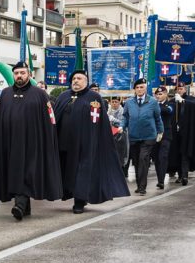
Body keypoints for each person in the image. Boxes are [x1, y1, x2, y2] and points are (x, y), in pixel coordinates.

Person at [0, 62, 62, 221]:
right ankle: (24, 207)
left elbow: (50, 119)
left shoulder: (40, 94)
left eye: (22, 73)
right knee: (15, 171)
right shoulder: (6, 94)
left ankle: (20, 205)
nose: (19, 76)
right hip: (10, 143)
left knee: (27, 172)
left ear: (29, 74)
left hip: (33, 143)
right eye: (16, 73)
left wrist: (47, 140)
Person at [54, 70, 130, 214]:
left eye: (79, 78)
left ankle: (79, 201)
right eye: (74, 78)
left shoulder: (94, 98)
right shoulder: (64, 96)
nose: (76, 80)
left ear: (86, 81)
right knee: (67, 171)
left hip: (85, 144)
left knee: (82, 172)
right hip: (65, 143)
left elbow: (101, 123)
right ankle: (71, 194)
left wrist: (98, 140)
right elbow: (55, 118)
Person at [119, 78, 164, 195]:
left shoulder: (153, 102)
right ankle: (139, 185)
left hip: (148, 136)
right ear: (134, 89)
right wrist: (121, 126)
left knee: (143, 159)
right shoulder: (129, 102)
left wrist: (160, 132)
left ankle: (142, 187)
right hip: (134, 137)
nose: (139, 89)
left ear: (145, 88)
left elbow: (158, 118)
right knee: (137, 162)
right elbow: (125, 117)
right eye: (137, 87)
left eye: (141, 87)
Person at [168, 82, 195, 184]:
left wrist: (183, 101)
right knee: (176, 154)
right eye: (178, 88)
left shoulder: (190, 100)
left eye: (181, 88)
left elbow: (193, 105)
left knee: (184, 154)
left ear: (185, 89)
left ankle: (184, 176)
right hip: (175, 133)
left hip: (186, 132)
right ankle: (179, 175)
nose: (180, 90)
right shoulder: (172, 101)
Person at [153, 86, 173, 189]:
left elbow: (168, 111)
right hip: (155, 135)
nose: (158, 96)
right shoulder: (154, 104)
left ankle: (161, 180)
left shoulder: (169, 104)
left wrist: (155, 107)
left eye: (160, 94)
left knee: (163, 157)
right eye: (157, 94)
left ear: (165, 94)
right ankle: (160, 179)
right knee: (156, 158)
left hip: (166, 135)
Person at [108, 96, 129, 177]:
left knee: (122, 153)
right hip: (111, 134)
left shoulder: (122, 110)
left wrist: (113, 120)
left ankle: (123, 171)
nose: (114, 103)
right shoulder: (109, 110)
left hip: (121, 135)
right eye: (112, 102)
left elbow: (123, 122)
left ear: (119, 102)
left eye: (116, 102)